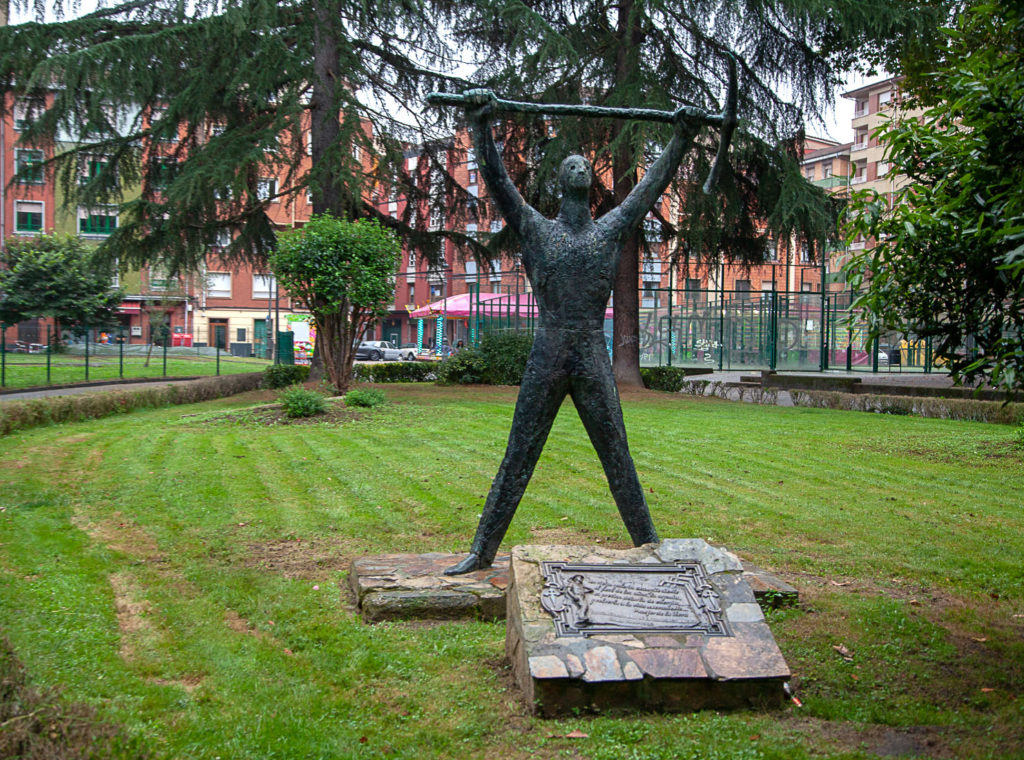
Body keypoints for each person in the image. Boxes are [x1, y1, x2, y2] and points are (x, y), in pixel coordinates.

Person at [445, 89, 703, 575]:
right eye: (571, 167)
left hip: (589, 350)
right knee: (519, 451)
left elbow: (649, 188)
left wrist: (681, 137)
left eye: (587, 167)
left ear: (592, 182)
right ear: (560, 181)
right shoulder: (537, 229)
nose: (580, 170)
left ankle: (649, 544)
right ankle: (482, 551)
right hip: (549, 350)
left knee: (616, 452)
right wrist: (480, 126)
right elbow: (499, 182)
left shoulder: (609, 230)